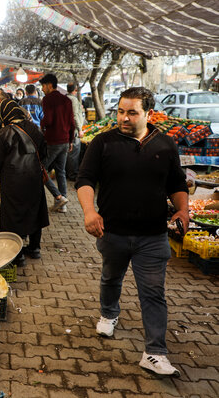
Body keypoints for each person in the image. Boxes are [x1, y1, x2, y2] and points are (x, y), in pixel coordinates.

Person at [76, 87, 188, 377]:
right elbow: (85, 179)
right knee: (111, 276)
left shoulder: (165, 145)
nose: (124, 118)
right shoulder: (103, 142)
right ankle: (109, 313)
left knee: (153, 293)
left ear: (148, 113)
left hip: (153, 234)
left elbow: (177, 183)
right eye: (121, 111)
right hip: (112, 231)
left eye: (132, 112)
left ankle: (154, 352)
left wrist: (182, 209)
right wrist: (90, 211)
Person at [0, 98, 49, 266]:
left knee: (13, 215)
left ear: (5, 114)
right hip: (33, 177)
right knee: (34, 209)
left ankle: (17, 256)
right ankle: (34, 248)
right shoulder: (34, 128)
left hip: (13, 180)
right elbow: (44, 152)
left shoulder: (4, 133)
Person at [39, 73, 75, 213]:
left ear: (49, 85)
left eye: (43, 86)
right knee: (61, 172)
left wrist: (41, 124)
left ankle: (58, 197)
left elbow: (48, 120)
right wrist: (70, 140)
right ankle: (62, 205)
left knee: (41, 169)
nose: (42, 89)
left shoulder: (48, 99)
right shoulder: (67, 100)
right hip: (65, 140)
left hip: (53, 140)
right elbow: (72, 123)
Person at [65, 83, 85, 180]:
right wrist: (80, 129)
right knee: (74, 153)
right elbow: (75, 116)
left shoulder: (63, 98)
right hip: (73, 130)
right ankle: (73, 175)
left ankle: (67, 173)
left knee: (68, 153)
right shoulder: (73, 100)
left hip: (66, 129)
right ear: (75, 90)